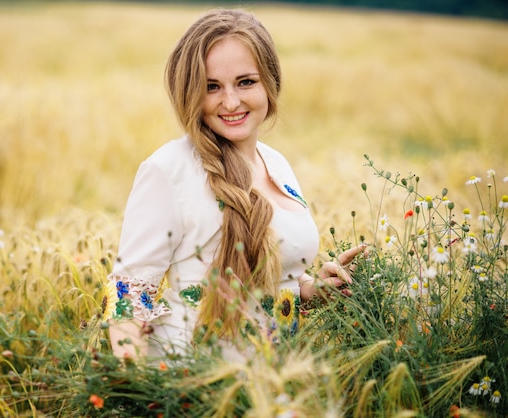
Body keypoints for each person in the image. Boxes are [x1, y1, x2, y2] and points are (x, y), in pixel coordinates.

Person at [104, 8, 365, 362]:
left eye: (245, 82)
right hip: (191, 386)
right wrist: (143, 390)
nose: (230, 102)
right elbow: (129, 294)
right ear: (190, 93)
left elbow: (267, 287)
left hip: (271, 384)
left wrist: (312, 290)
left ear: (269, 83)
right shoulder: (170, 169)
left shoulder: (277, 164)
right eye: (211, 87)